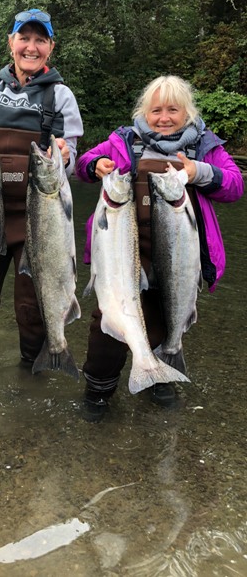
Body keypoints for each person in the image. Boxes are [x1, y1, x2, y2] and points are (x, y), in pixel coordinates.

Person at [75, 75, 244, 422]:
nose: (164, 117)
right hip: (125, 256)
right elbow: (83, 165)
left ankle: (160, 375)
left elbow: (234, 185)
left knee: (168, 320)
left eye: (173, 110)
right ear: (144, 112)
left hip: (177, 258)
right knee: (107, 324)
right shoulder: (124, 140)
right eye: (156, 111)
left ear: (187, 113)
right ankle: (99, 390)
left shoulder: (207, 147)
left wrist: (199, 171)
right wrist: (96, 166)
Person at [0, 8, 83, 363]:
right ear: (10, 42)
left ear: (51, 47)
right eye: (23, 38)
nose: (31, 47)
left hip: (38, 221)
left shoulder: (61, 96)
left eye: (39, 40)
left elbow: (69, 156)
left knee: (31, 310)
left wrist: (65, 154)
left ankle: (34, 371)